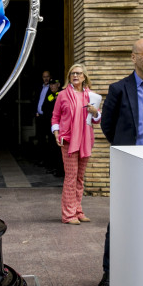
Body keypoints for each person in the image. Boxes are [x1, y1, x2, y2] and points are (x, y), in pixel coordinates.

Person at [97, 38, 143, 286]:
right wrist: (125, 148)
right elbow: (107, 125)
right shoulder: (119, 88)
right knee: (120, 220)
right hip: (131, 165)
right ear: (134, 57)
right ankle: (109, 274)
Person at [51, 64, 101, 225]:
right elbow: (55, 116)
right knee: (71, 177)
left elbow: (96, 120)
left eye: (78, 73)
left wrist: (95, 112)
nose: (75, 76)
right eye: (72, 73)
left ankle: (78, 211)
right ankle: (68, 214)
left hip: (86, 140)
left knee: (80, 178)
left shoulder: (91, 96)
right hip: (68, 141)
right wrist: (56, 133)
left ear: (84, 76)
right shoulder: (63, 95)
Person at [41, 78, 63, 176]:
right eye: (50, 85)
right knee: (52, 147)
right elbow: (44, 108)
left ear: (58, 85)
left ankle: (60, 170)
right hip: (51, 126)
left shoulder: (62, 95)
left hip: (61, 127)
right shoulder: (50, 95)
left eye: (54, 84)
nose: (52, 86)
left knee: (59, 149)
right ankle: (53, 167)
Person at [34, 70, 52, 163]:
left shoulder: (52, 88)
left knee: (48, 139)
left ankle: (48, 160)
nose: (46, 78)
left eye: (47, 76)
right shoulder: (39, 88)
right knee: (40, 139)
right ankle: (41, 159)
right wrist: (36, 112)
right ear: (42, 78)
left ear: (50, 77)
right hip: (39, 117)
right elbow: (35, 100)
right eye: (44, 77)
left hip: (47, 117)